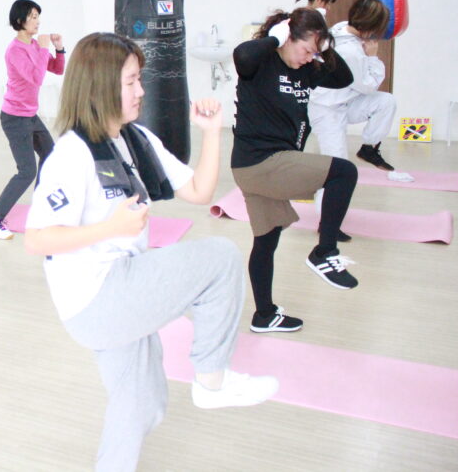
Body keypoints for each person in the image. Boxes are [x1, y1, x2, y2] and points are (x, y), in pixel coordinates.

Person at [25, 32, 278, 471]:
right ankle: (212, 381)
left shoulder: (135, 139)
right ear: (101, 86)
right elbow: (36, 238)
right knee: (220, 258)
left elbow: (199, 191)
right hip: (97, 296)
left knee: (144, 405)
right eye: (131, 82)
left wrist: (211, 134)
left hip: (120, 292)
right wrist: (110, 228)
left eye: (139, 79)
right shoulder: (72, 154)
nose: (141, 90)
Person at [232, 7, 357, 335]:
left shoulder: (306, 71)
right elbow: (242, 55)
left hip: (260, 168)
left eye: (314, 53)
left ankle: (264, 315)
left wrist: (323, 46)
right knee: (344, 173)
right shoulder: (260, 63)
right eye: (306, 49)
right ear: (288, 38)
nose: (308, 57)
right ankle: (324, 252)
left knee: (266, 241)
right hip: (262, 162)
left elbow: (344, 78)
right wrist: (276, 37)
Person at [0, 0, 65, 240]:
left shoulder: (34, 45)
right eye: (33, 17)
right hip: (15, 117)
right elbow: (35, 78)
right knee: (27, 171)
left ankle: (43, 207)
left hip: (30, 115)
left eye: (38, 17)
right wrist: (44, 48)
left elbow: (57, 69)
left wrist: (58, 49)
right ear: (20, 20)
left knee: (50, 156)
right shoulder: (15, 51)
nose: (38, 22)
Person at [308, 0, 400, 173]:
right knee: (339, 168)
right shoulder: (350, 51)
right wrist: (372, 57)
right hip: (326, 109)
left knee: (386, 102)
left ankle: (368, 148)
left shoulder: (341, 27)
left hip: (344, 101)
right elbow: (367, 86)